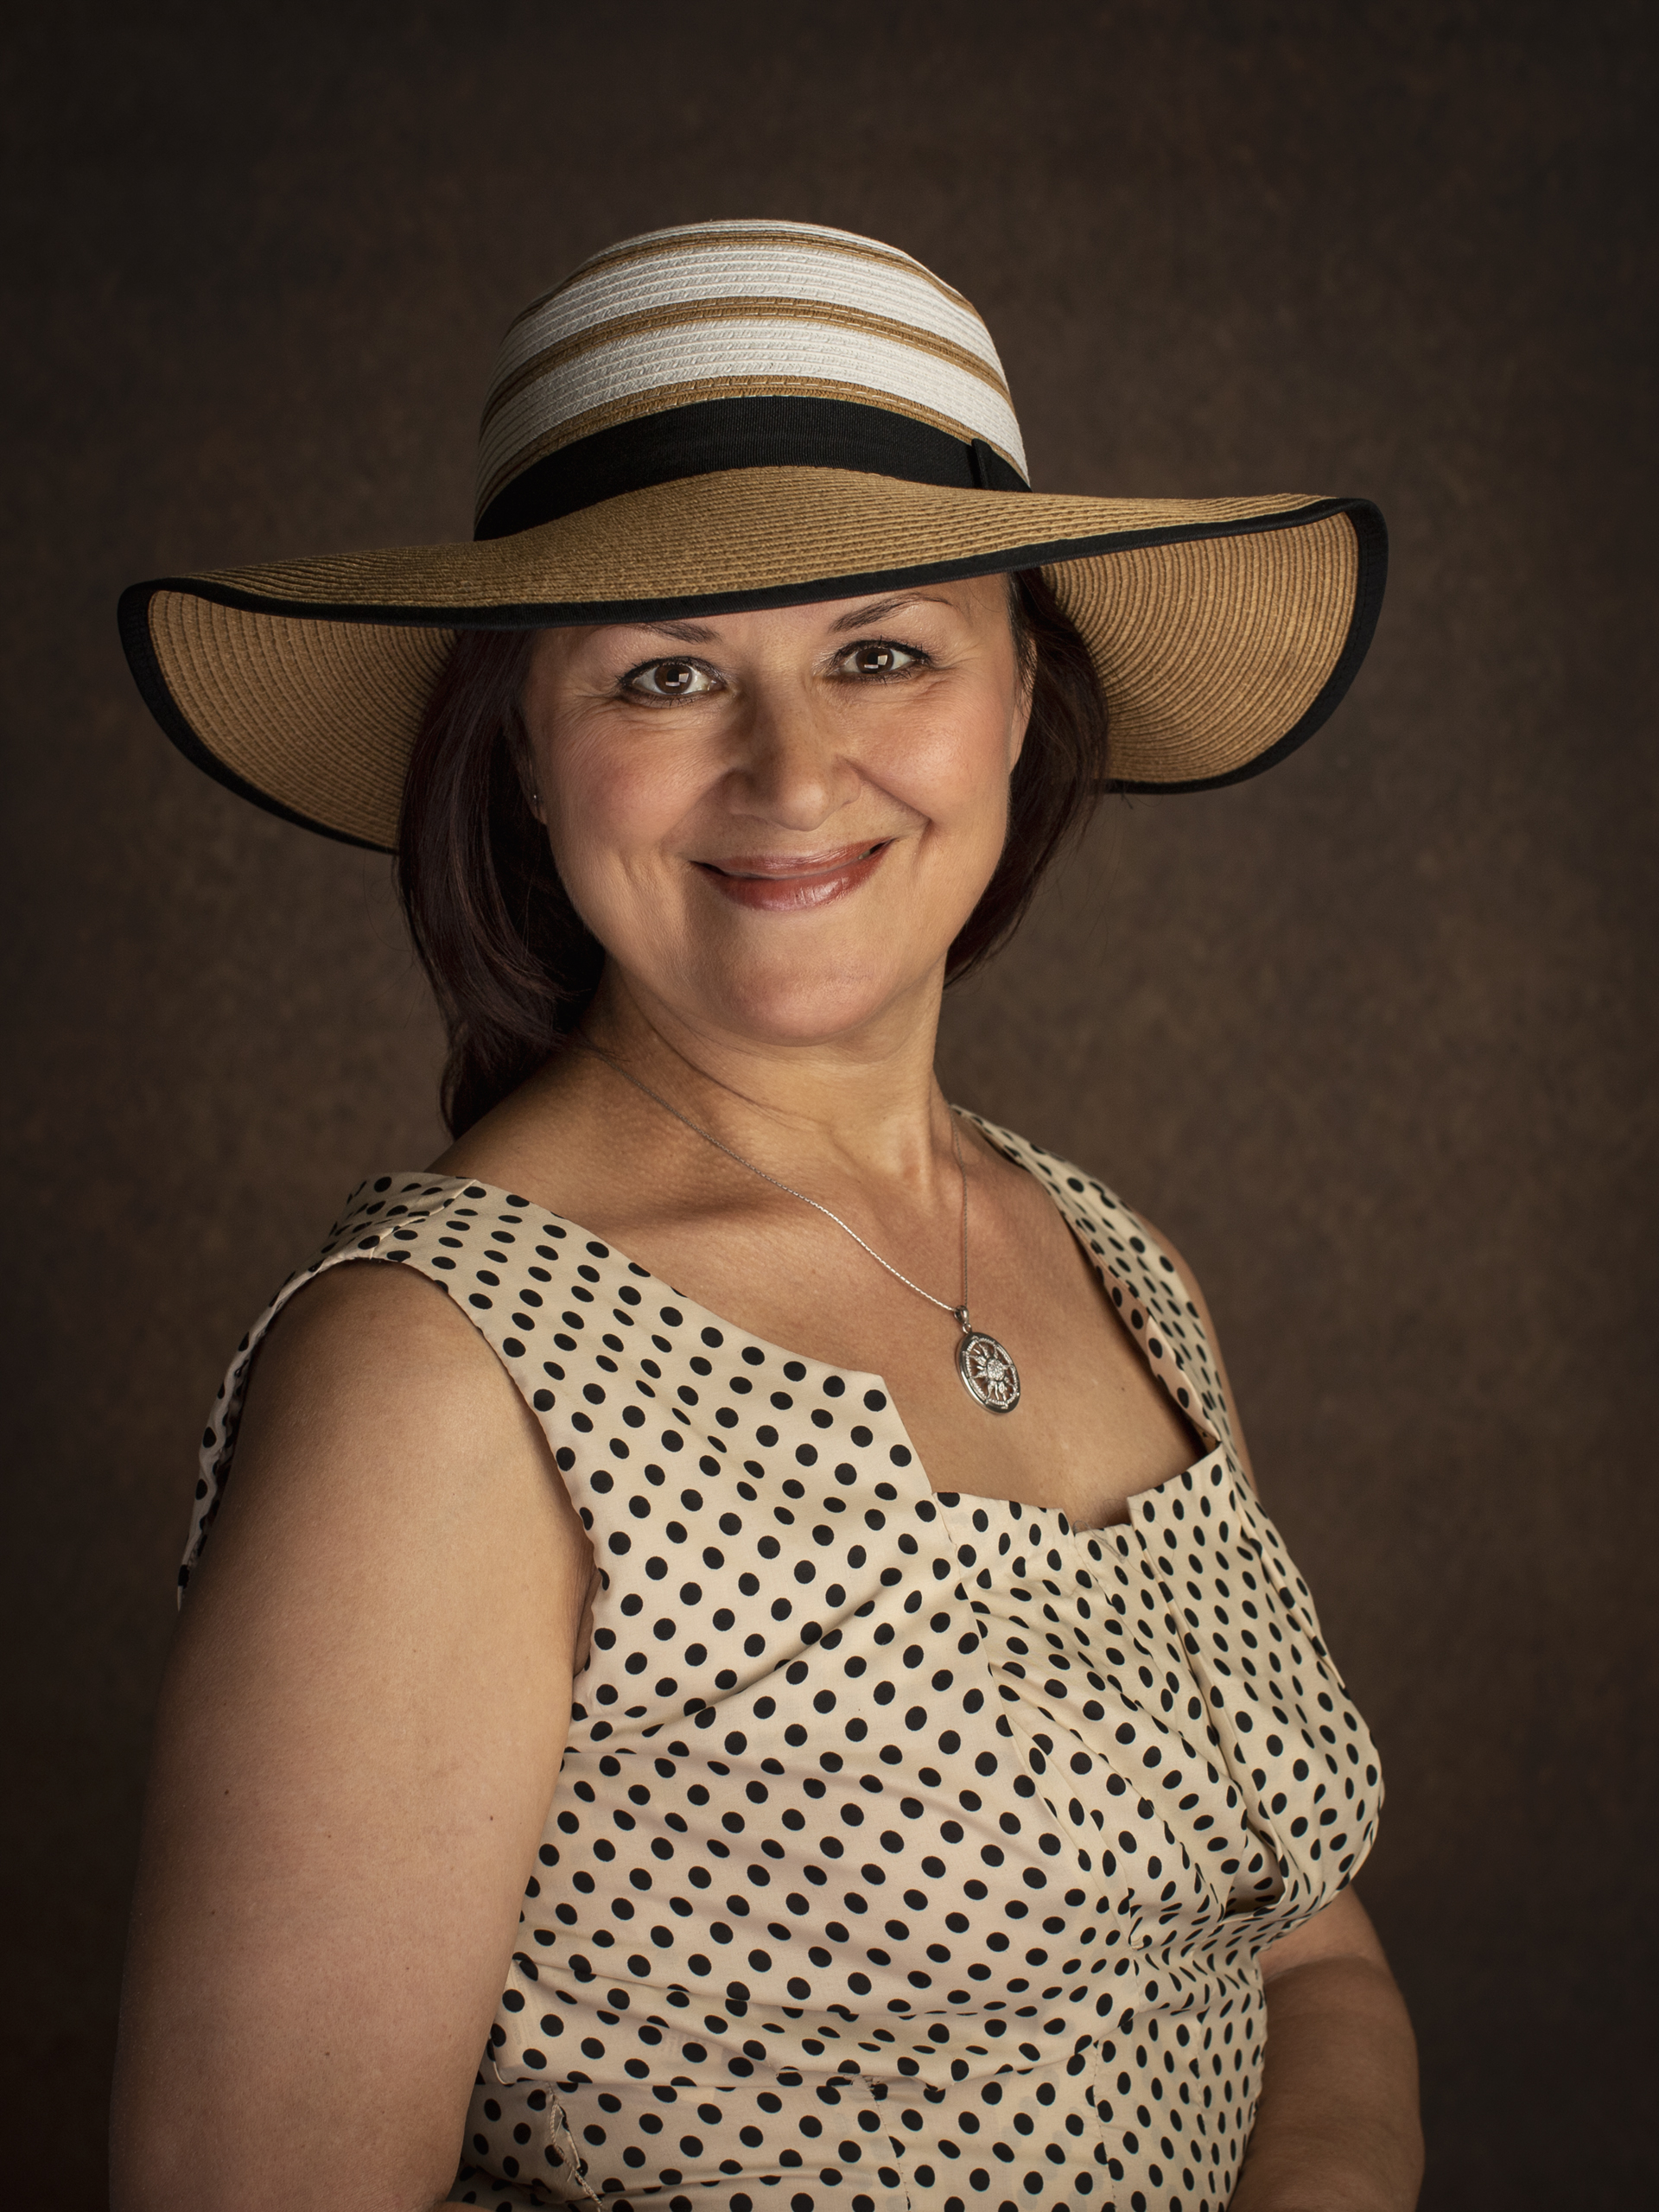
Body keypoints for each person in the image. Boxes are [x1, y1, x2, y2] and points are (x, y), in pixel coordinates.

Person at [110, 219, 1421, 2212]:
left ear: (1019, 694)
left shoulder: (1119, 1264)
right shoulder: (437, 1379)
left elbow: (1307, 1953)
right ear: (523, 752)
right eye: (666, 672)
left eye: (882, 650)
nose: (794, 772)